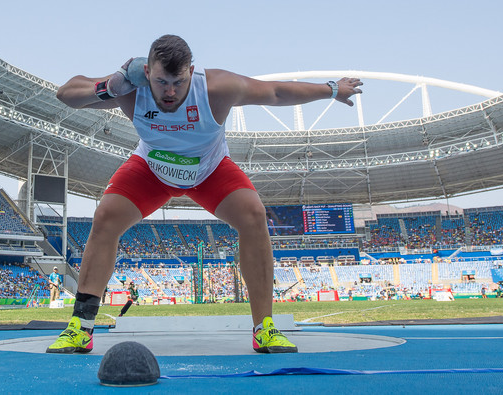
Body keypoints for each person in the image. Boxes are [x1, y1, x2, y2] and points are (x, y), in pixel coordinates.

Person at [46, 34, 362, 354]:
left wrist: (332, 89)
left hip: (209, 171)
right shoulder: (131, 88)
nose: (169, 91)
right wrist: (109, 88)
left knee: (253, 215)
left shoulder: (216, 87)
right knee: (105, 217)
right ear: (147, 72)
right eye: (161, 82)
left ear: (192, 72)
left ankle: (264, 328)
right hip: (152, 169)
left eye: (178, 82)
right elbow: (66, 93)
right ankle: (80, 327)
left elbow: (275, 92)